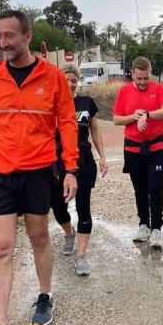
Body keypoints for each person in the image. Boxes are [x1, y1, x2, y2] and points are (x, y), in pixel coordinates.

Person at [0, 10, 79, 325]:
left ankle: (45, 295)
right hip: (0, 174)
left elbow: (67, 122)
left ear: (27, 36)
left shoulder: (53, 77)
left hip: (39, 171)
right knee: (1, 247)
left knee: (38, 237)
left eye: (9, 36)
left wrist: (71, 168)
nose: (2, 43)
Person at [50, 64, 108, 276]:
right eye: (66, 79)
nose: (70, 83)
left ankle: (82, 256)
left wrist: (102, 157)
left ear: (78, 81)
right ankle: (68, 233)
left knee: (84, 207)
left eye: (74, 80)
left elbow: (94, 129)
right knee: (57, 206)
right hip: (56, 161)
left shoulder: (86, 103)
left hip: (83, 160)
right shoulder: (51, 104)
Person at [113, 57, 163, 248]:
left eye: (146, 77)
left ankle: (156, 229)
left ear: (150, 72)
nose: (143, 82)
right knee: (140, 189)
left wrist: (148, 114)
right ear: (132, 74)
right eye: (139, 78)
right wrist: (133, 116)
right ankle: (144, 224)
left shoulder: (159, 89)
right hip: (133, 148)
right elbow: (116, 119)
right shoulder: (124, 91)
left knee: (155, 187)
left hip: (156, 147)